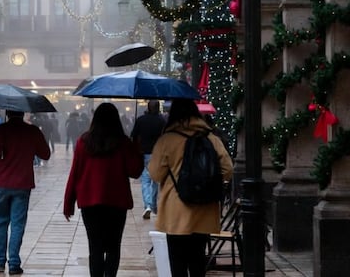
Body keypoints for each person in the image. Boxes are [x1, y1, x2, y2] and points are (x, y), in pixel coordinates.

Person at [148, 98, 234, 277]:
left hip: (175, 211)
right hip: (204, 210)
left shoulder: (167, 139)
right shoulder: (211, 137)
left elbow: (155, 174)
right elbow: (228, 170)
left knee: (177, 264)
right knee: (197, 262)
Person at [63, 103, 143, 277]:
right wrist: (137, 148)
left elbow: (75, 173)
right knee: (114, 246)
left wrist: (68, 203)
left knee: (95, 247)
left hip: (90, 202)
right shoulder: (123, 143)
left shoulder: (84, 142)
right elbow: (135, 171)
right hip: (117, 202)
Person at [0, 110, 51, 275]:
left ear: (7, 113)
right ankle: (14, 263)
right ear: (22, 113)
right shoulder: (32, 131)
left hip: (1, 184)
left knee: (0, 222)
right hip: (22, 184)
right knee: (18, 223)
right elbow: (45, 154)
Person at [130, 100, 166, 220]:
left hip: (144, 153)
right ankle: (153, 205)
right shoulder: (162, 121)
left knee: (145, 180)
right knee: (155, 180)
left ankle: (148, 205)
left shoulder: (141, 120)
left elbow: (134, 136)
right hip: (158, 154)